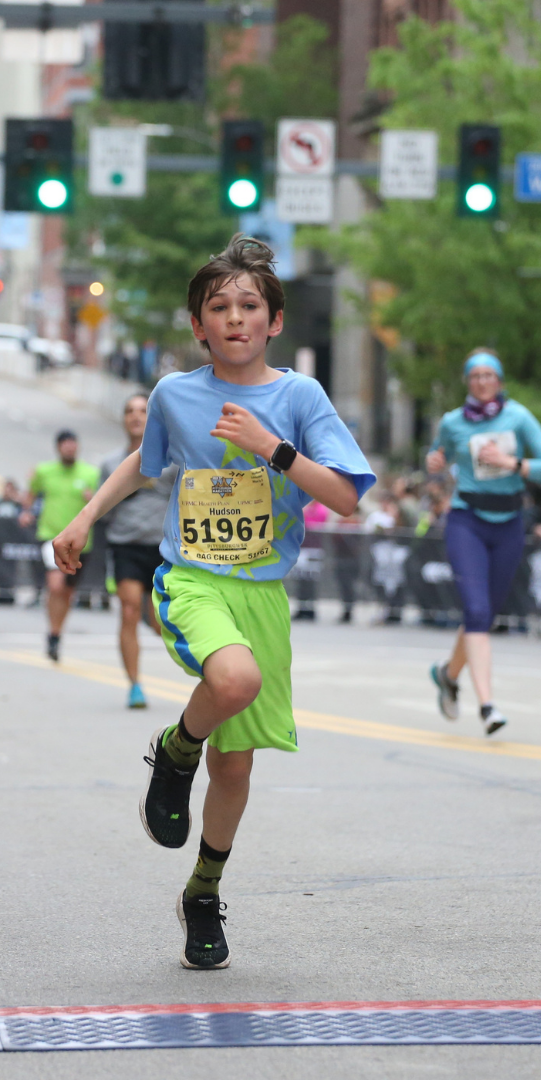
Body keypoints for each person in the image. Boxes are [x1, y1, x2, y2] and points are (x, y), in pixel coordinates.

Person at [52, 235, 375, 970]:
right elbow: (147, 459)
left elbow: (349, 498)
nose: (234, 318)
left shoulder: (300, 399)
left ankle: (202, 892)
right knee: (232, 681)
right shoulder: (175, 394)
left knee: (236, 769)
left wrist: (273, 447)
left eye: (249, 305)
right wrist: (85, 517)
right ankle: (172, 753)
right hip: (192, 579)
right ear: (198, 325)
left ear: (275, 320)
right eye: (218, 307)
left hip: (261, 592)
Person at [427, 349, 541, 734]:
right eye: (475, 376)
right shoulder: (453, 422)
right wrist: (433, 462)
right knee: (477, 611)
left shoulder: (517, 417)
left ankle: (447, 675)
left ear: (499, 381)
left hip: (509, 524)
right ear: (468, 382)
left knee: (482, 616)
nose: (482, 382)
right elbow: (437, 455)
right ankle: (487, 705)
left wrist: (510, 464)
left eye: (489, 375)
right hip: (467, 520)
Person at [99, 394, 178, 708]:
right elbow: (102, 508)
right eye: (129, 411)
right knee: (129, 609)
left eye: (143, 411)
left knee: (163, 620)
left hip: (163, 549)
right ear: (123, 419)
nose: (135, 416)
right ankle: (134, 685)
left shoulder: (173, 461)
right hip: (125, 545)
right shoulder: (109, 463)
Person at [21, 430, 100, 661]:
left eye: (73, 444)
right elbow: (30, 495)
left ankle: (56, 633)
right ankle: (53, 634)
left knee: (67, 592)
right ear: (58, 448)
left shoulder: (91, 473)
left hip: (80, 542)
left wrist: (92, 499)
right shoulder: (44, 471)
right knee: (55, 586)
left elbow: (101, 501)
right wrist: (26, 511)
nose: (70, 448)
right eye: (65, 445)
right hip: (51, 536)